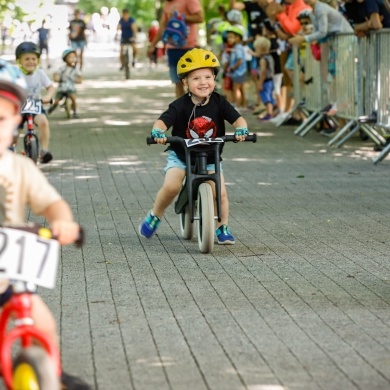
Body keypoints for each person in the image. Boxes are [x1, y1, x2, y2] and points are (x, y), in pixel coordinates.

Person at [0, 58, 91, 390]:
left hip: (9, 273)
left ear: (14, 123)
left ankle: (51, 372)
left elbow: (50, 202)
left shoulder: (19, 167)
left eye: (0, 119)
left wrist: (62, 221)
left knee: (42, 322)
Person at [139, 48, 249, 245]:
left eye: (208, 76)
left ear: (214, 78)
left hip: (211, 156)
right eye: (196, 78)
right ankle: (155, 214)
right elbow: (161, 123)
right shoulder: (179, 105)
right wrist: (158, 133)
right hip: (181, 155)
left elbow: (239, 120)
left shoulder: (219, 102)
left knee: (220, 192)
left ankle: (222, 226)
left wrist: (242, 130)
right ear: (185, 83)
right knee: (171, 186)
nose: (203, 82)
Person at [146, 0, 204, 98]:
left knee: (193, 83)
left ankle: (196, 109)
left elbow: (200, 17)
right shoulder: (167, 4)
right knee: (178, 83)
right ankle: (181, 111)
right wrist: (152, 45)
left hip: (189, 47)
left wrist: (180, 17)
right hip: (172, 49)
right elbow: (163, 26)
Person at [14, 41, 54, 164]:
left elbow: (50, 87)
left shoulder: (40, 73)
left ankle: (44, 150)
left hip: (35, 104)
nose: (31, 61)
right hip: (19, 106)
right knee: (14, 132)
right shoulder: (16, 74)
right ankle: (11, 152)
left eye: (34, 58)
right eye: (26, 59)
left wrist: (48, 96)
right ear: (19, 61)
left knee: (43, 122)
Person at [48, 48, 82, 119]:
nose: (72, 59)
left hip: (71, 87)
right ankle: (52, 108)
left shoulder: (75, 69)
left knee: (73, 99)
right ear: (65, 59)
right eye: (70, 57)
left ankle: (74, 111)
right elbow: (56, 74)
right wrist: (56, 79)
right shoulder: (62, 68)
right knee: (57, 100)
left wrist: (78, 80)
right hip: (62, 87)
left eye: (74, 57)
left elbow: (80, 76)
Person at [225, 26, 248, 110]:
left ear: (237, 38)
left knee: (236, 89)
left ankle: (238, 106)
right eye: (228, 37)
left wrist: (232, 68)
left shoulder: (237, 48)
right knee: (241, 89)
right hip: (241, 71)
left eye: (231, 37)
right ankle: (243, 105)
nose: (229, 39)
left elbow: (240, 60)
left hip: (239, 72)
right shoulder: (237, 47)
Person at [253, 36, 275, 121]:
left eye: (256, 49)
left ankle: (269, 113)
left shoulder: (263, 59)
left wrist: (260, 83)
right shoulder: (269, 57)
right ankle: (269, 112)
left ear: (260, 49)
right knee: (270, 96)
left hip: (265, 81)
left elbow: (263, 72)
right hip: (270, 79)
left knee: (266, 97)